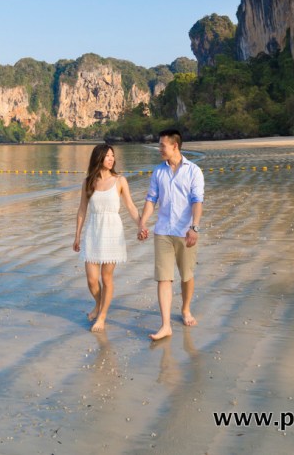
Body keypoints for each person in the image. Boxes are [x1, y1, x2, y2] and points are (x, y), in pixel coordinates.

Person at [136, 128, 203, 340]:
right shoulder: (158, 172)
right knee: (164, 278)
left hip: (185, 232)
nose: (159, 149)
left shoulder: (193, 171)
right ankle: (165, 325)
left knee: (187, 275)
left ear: (175, 146)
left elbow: (197, 202)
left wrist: (195, 228)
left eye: (162, 145)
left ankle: (185, 309)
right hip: (163, 231)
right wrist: (142, 223)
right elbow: (151, 200)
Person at [73, 143, 143, 332]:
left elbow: (130, 206)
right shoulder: (88, 182)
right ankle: (98, 303)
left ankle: (102, 316)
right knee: (91, 279)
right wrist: (77, 236)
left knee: (106, 277)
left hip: (112, 232)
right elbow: (82, 210)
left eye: (113, 156)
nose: (111, 159)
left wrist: (141, 225)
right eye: (107, 156)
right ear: (99, 158)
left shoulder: (120, 181)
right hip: (93, 232)